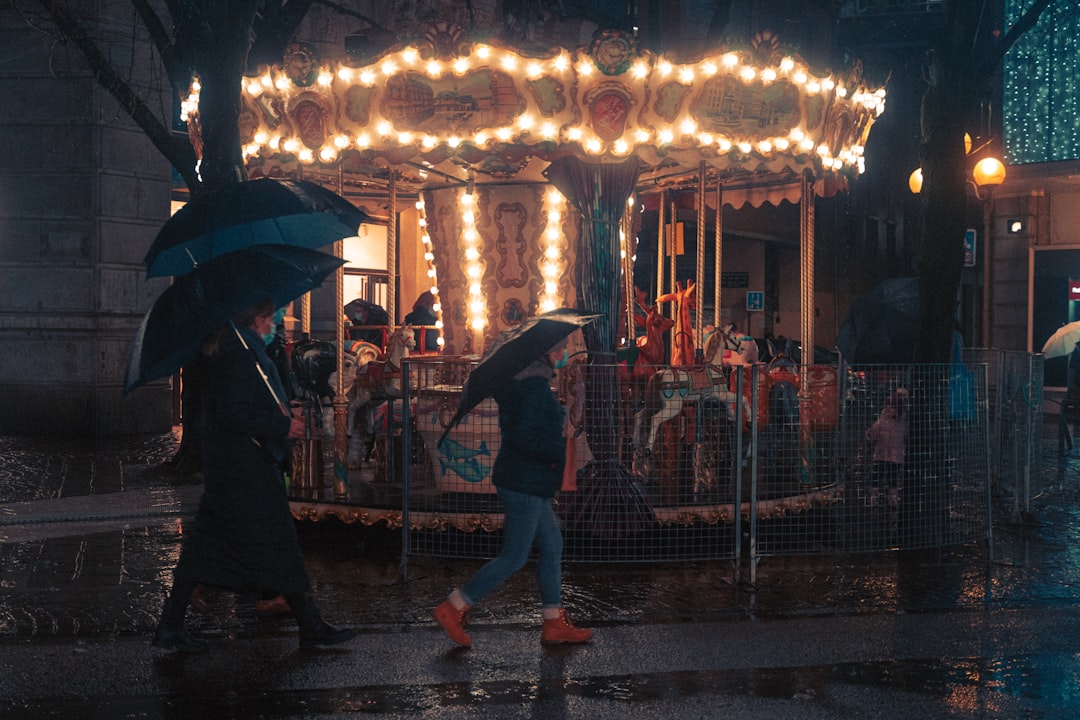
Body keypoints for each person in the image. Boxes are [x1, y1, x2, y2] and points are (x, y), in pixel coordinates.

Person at [153, 299, 355, 652]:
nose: (275, 323)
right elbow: (233, 411)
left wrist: (280, 412)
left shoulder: (240, 348)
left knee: (212, 548)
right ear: (259, 320)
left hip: (235, 467)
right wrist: (281, 424)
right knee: (277, 542)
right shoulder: (238, 352)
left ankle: (171, 625)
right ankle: (310, 625)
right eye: (272, 317)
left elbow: (248, 401)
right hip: (243, 467)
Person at [432, 342, 592, 648]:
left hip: (528, 479)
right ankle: (453, 607)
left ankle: (553, 620)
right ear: (539, 354)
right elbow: (526, 438)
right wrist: (562, 451)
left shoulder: (524, 387)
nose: (562, 356)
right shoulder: (534, 390)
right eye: (556, 351)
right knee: (514, 556)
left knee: (552, 544)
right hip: (525, 482)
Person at [865, 389, 908, 507]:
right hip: (881, 455)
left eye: (892, 407)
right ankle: (873, 497)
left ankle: (893, 498)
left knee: (892, 478)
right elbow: (873, 434)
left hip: (895, 456)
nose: (889, 410)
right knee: (876, 476)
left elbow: (905, 436)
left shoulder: (901, 424)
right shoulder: (881, 422)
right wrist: (870, 435)